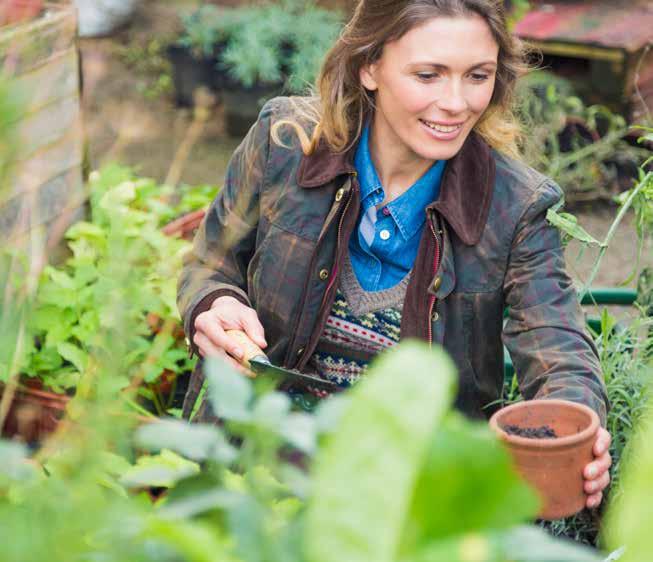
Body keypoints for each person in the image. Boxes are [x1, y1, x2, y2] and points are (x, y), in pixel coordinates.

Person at [177, 0, 611, 509]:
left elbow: (560, 350)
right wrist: (212, 303)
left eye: (478, 75)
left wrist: (577, 424)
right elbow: (210, 262)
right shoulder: (286, 142)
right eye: (428, 75)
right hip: (253, 460)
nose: (456, 102)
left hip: (406, 498)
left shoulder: (515, 207)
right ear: (369, 66)